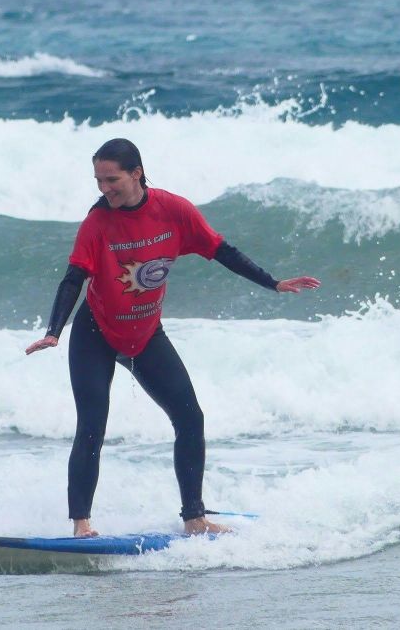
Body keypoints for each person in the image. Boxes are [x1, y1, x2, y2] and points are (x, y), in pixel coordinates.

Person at [25, 138, 320, 537]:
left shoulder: (173, 211)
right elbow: (74, 277)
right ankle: (81, 525)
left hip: (145, 333)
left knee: (190, 418)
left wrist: (273, 283)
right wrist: (54, 331)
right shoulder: (97, 223)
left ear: (137, 173)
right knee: (92, 426)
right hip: (95, 332)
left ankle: (195, 520)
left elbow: (221, 250)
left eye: (111, 179)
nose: (104, 188)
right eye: (98, 180)